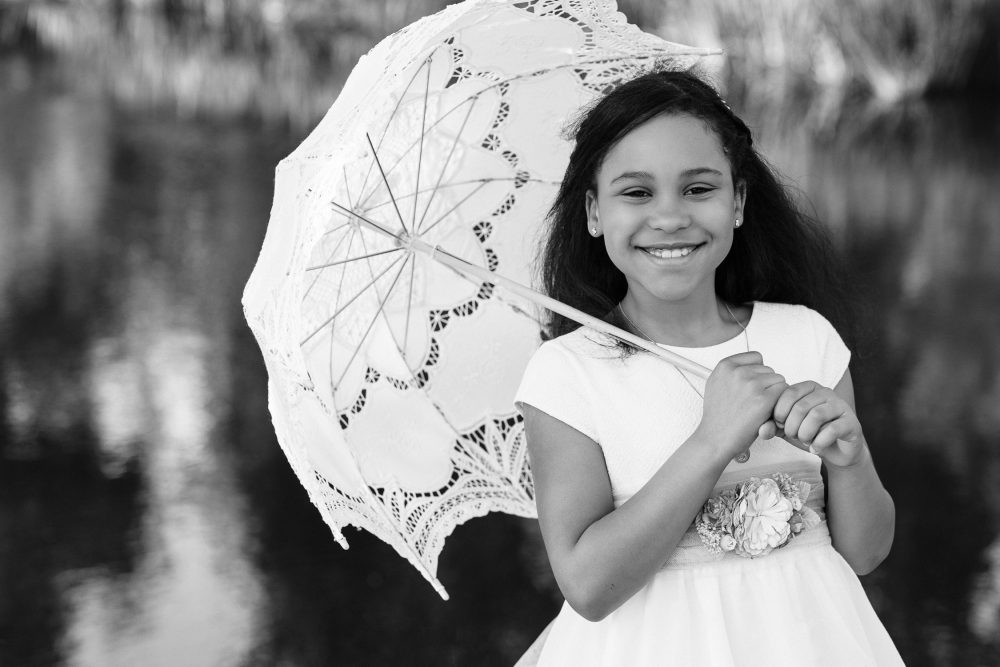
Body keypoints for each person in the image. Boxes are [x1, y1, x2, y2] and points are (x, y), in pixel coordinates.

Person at [513, 70, 902, 666]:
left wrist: (852, 460)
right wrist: (712, 440)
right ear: (594, 212)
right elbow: (588, 588)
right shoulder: (568, 372)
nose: (669, 217)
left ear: (738, 202)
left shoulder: (805, 337)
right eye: (636, 193)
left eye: (698, 189)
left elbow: (866, 553)